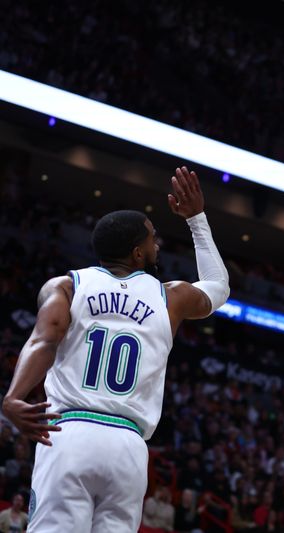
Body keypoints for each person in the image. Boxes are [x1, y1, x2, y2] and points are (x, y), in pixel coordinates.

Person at [1, 167, 229, 532]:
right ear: (138, 253)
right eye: (153, 239)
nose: (158, 244)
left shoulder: (66, 286)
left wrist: (13, 397)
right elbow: (218, 285)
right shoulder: (170, 297)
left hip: (69, 433)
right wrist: (196, 220)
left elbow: (45, 339)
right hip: (127, 445)